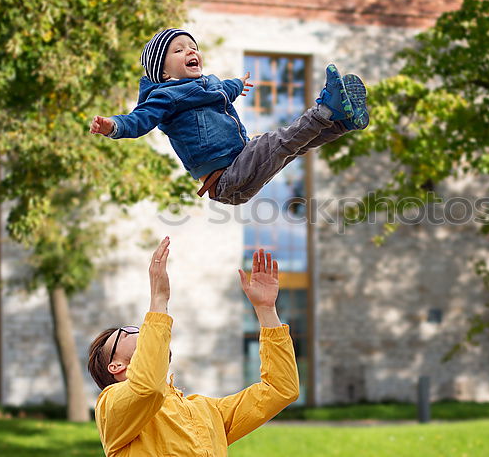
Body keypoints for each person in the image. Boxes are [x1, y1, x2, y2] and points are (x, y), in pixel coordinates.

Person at [87, 28, 369, 205]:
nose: (191, 50)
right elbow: (140, 119)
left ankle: (341, 122)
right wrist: (113, 126)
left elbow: (224, 89)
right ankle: (325, 110)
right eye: (179, 49)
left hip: (238, 169)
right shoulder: (164, 96)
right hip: (225, 180)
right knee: (276, 141)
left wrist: (238, 84)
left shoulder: (209, 85)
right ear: (164, 73)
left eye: (193, 47)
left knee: (292, 147)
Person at [86, 237, 299, 457]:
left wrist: (266, 310)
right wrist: (158, 301)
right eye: (127, 332)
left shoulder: (207, 411)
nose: (141, 330)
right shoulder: (110, 406)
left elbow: (280, 389)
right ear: (116, 366)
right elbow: (148, 387)